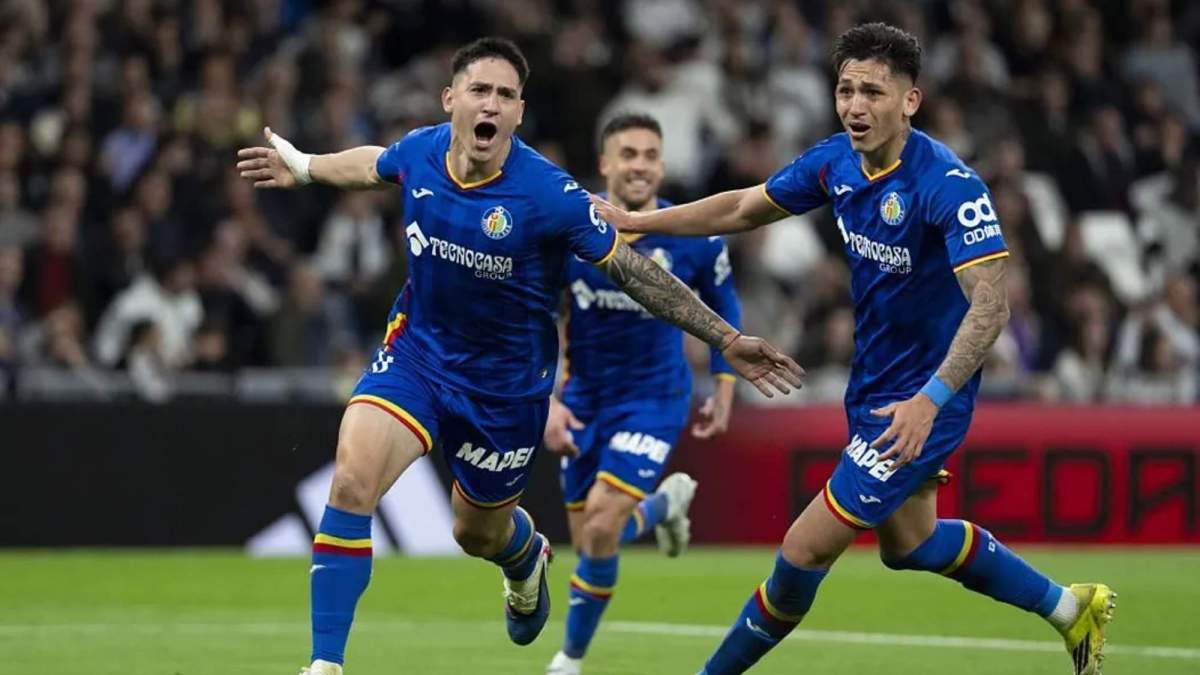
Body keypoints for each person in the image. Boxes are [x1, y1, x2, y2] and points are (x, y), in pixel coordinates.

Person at [235, 37, 802, 675]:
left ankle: (522, 556)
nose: (492, 104)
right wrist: (307, 166)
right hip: (417, 357)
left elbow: (632, 270)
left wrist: (724, 340)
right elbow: (376, 164)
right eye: (480, 90)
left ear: (519, 113)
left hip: (505, 392)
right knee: (351, 479)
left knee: (474, 533)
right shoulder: (423, 151)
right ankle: (325, 664)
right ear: (452, 99)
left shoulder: (548, 195)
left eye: (506, 95)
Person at [592, 23, 1114, 675]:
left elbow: (992, 305)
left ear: (910, 101)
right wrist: (640, 220)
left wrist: (930, 399)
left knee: (803, 549)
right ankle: (1071, 608)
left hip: (926, 398)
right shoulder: (834, 161)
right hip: (874, 388)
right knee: (910, 541)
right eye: (845, 90)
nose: (856, 106)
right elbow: (743, 208)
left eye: (873, 91)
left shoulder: (949, 186)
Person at [544, 113, 742, 675]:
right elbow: (542, 312)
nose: (639, 165)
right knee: (591, 545)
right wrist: (549, 398)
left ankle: (569, 660)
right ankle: (663, 505)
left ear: (661, 164)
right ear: (604, 163)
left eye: (650, 155)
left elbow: (725, 309)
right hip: (583, 396)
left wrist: (724, 385)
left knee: (604, 525)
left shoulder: (693, 236)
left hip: (655, 399)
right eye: (627, 153)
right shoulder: (570, 228)